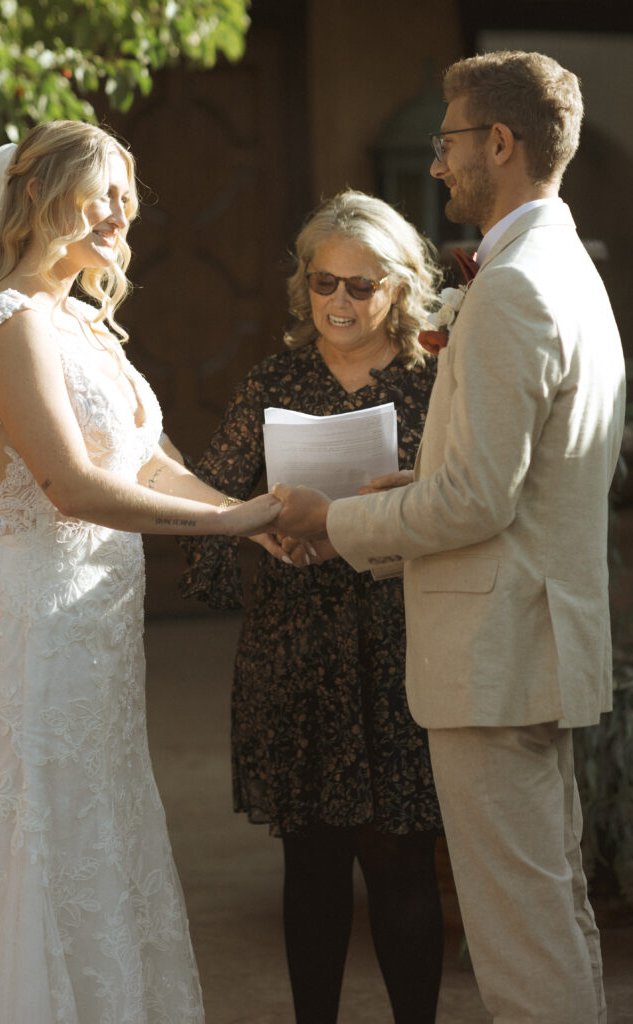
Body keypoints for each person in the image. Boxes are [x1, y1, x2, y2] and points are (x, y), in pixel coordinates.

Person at [272, 52, 626, 1024]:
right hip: (528, 639)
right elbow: (500, 480)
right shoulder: (562, 268)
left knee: (518, 937)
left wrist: (333, 519)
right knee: (546, 913)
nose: (436, 165)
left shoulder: (512, 286)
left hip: (496, 650)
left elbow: (475, 502)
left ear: (499, 143)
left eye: (450, 140)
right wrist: (412, 490)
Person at [0, 120, 281, 1023]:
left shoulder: (81, 322)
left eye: (128, 193)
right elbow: (72, 487)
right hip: (40, 628)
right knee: (35, 829)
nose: (123, 210)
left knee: (99, 823)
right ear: (39, 196)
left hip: (100, 633)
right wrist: (233, 522)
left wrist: (254, 521)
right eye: (102, 190)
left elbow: (147, 463)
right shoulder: (6, 322)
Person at [179, 190, 445, 1024]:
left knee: (401, 859)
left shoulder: (435, 379)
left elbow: (470, 504)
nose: (337, 302)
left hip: (401, 635)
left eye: (359, 287)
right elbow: (214, 495)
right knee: (313, 863)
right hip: (296, 646)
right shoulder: (275, 378)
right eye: (323, 283)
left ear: (398, 288)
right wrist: (260, 530)